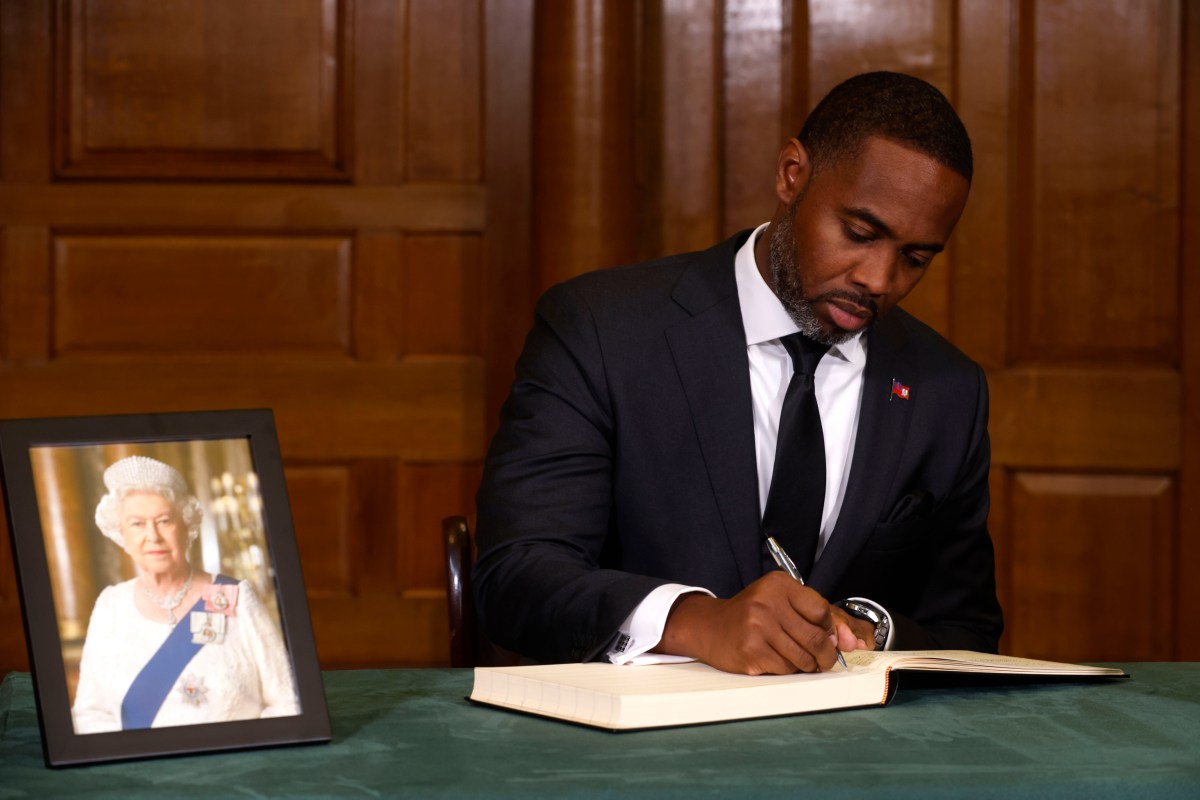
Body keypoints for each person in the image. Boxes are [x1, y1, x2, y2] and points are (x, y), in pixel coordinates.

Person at [472, 71, 1003, 675]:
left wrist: (872, 630)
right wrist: (696, 622)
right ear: (791, 175)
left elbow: (969, 634)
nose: (879, 281)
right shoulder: (601, 331)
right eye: (859, 233)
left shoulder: (947, 390)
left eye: (914, 258)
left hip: (855, 756)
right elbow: (515, 577)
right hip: (636, 756)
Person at [71, 455, 299, 733]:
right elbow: (90, 713)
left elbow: (288, 702)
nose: (152, 536)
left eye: (164, 520)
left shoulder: (234, 597)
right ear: (122, 534)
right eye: (137, 524)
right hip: (143, 772)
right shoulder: (110, 606)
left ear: (187, 526)